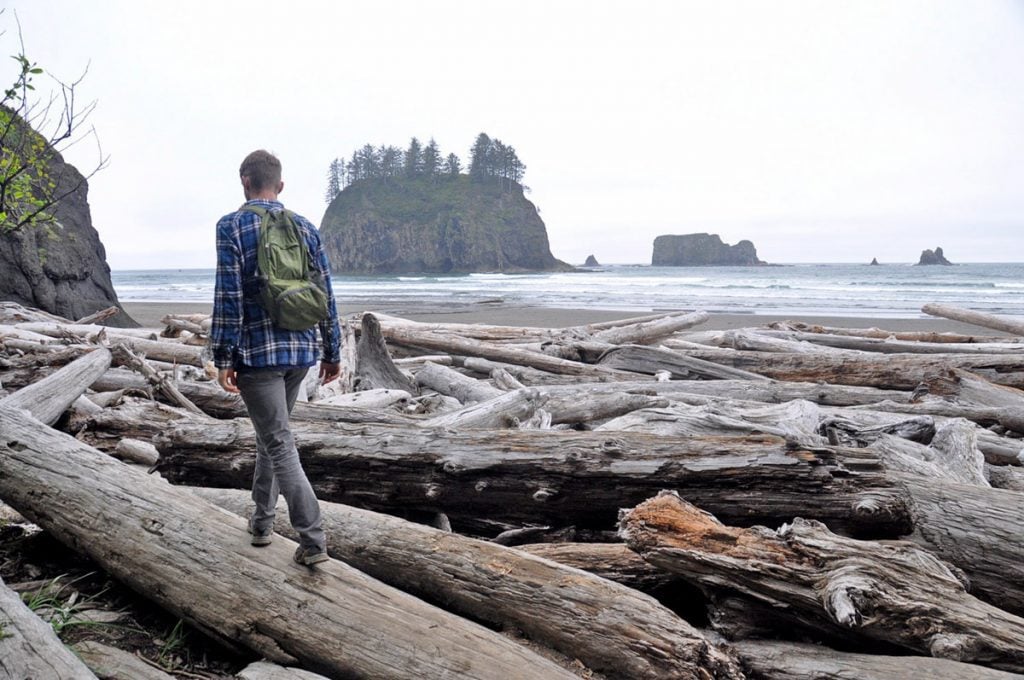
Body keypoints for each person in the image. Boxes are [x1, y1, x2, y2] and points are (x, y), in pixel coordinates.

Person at [210, 149, 341, 566]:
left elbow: (228, 295)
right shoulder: (305, 227)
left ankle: (313, 541)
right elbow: (327, 292)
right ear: (279, 186)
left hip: (257, 354)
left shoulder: (232, 225)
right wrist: (332, 348)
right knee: (273, 439)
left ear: (244, 182)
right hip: (301, 350)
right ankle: (262, 523)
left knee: (280, 444)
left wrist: (223, 355)